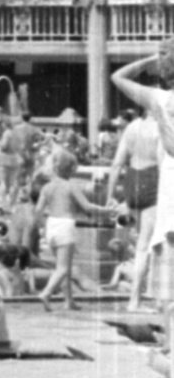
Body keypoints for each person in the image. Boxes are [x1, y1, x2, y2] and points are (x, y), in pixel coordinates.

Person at [34, 148, 115, 310]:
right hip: (65, 225)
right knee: (63, 268)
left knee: (64, 267)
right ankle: (46, 292)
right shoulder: (71, 186)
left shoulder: (47, 187)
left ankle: (68, 301)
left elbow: (37, 211)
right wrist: (107, 211)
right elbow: (87, 206)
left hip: (51, 225)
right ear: (71, 169)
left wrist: (41, 227)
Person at [105, 108, 161, 309]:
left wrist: (110, 196)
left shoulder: (131, 127)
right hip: (152, 178)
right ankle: (139, 299)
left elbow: (116, 164)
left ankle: (136, 299)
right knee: (148, 245)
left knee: (140, 244)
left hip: (132, 181)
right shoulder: (161, 128)